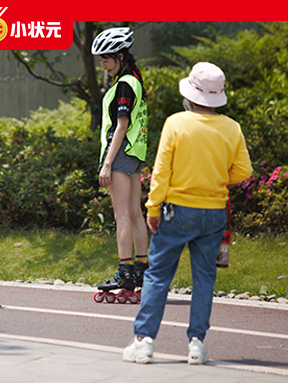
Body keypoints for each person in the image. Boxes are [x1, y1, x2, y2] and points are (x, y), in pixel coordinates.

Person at [123, 62, 252, 365]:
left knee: (157, 276)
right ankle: (197, 344)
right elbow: (244, 170)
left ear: (190, 95)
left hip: (175, 212)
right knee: (204, 279)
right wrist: (217, 178)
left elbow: (161, 171)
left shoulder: (176, 123)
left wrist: (152, 208)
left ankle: (143, 342)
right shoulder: (232, 128)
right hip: (214, 213)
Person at [91, 27, 150, 294]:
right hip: (135, 153)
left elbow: (121, 126)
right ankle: (141, 270)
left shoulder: (124, 84)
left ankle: (125, 272)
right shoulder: (134, 78)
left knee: (122, 214)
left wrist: (106, 163)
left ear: (120, 55)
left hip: (122, 153)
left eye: (105, 59)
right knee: (136, 213)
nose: (102, 64)